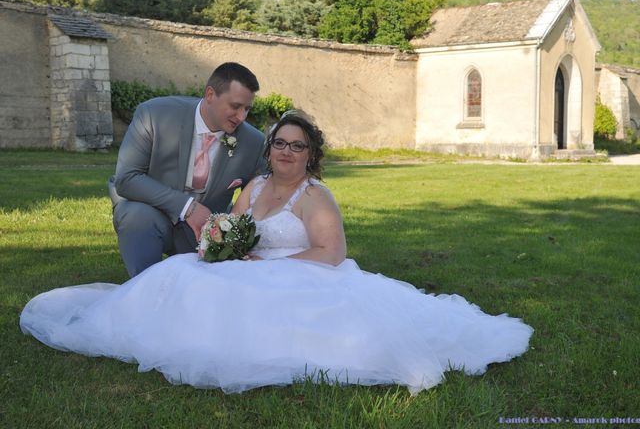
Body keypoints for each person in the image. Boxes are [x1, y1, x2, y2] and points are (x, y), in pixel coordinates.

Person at [21, 111, 533, 395]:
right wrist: (222, 245)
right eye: (280, 143)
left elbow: (330, 254)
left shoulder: (315, 196)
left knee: (246, 303)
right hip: (248, 269)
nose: (287, 151)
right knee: (182, 275)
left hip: (305, 276)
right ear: (270, 150)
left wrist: (267, 267)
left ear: (312, 154)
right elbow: (236, 225)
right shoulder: (258, 184)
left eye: (298, 145)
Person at [108, 62, 266, 278]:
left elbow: (260, 198)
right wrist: (187, 207)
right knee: (137, 217)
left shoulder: (254, 142)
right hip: (150, 215)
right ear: (210, 94)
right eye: (235, 106)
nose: (241, 117)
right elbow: (127, 178)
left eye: (247, 109)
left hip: (204, 233)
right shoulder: (154, 114)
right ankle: (145, 293)